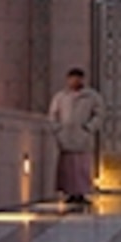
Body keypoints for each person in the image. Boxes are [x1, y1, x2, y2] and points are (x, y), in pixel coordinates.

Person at [46, 66, 103, 211]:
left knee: (81, 166)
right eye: (72, 79)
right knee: (67, 166)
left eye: (77, 79)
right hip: (65, 136)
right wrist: (57, 129)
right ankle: (69, 192)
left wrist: (89, 128)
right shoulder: (60, 97)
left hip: (82, 136)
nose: (74, 81)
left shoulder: (92, 97)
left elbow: (99, 114)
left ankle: (81, 192)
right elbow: (53, 115)